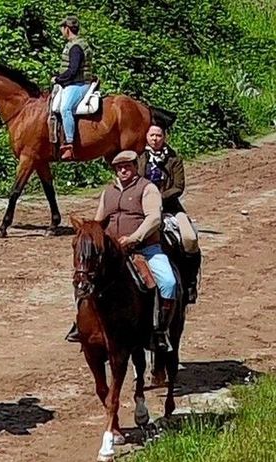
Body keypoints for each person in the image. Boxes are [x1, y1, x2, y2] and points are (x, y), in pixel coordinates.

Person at [91, 149, 178, 353]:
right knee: (85, 278)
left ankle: (160, 330)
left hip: (146, 249)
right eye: (119, 168)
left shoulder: (147, 188)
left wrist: (133, 238)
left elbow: (154, 218)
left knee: (168, 282)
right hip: (114, 253)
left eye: (127, 166)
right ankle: (83, 324)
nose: (123, 171)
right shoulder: (108, 192)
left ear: (135, 167)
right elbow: (98, 221)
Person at [143, 122, 201, 303]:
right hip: (143, 207)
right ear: (146, 137)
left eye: (158, 136)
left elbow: (178, 187)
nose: (155, 139)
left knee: (190, 238)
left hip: (171, 208)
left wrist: (159, 197)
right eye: (152, 135)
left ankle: (190, 282)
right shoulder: (139, 157)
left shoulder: (174, 159)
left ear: (164, 137)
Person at [52, 15, 93, 161]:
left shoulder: (76, 47)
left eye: (62, 28)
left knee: (65, 108)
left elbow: (73, 70)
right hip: (73, 82)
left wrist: (58, 79)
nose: (61, 31)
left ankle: (69, 144)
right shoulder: (75, 44)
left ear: (67, 29)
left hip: (79, 84)